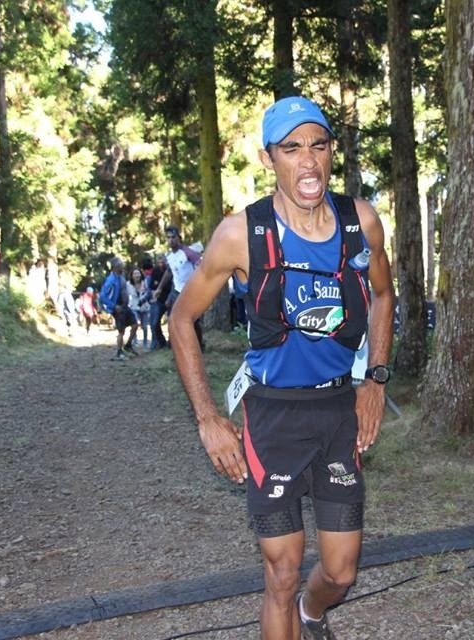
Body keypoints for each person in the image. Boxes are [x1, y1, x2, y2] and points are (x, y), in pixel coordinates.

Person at [169, 96, 395, 640]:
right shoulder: (240, 233)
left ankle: (312, 614)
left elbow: (384, 296)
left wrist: (375, 381)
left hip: (338, 409)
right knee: (282, 573)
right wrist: (208, 418)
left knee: (340, 572)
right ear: (269, 158)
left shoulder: (360, 222)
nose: (308, 160)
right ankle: (292, 608)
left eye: (318, 145)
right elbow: (181, 319)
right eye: (291, 149)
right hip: (272, 414)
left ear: (332, 151)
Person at [153, 227, 204, 351]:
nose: (171, 240)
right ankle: (176, 345)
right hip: (176, 291)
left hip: (190, 291)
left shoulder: (187, 252)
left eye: (173, 237)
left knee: (193, 320)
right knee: (173, 318)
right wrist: (159, 288)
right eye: (168, 237)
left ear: (179, 238)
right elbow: (169, 272)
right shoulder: (169, 256)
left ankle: (199, 345)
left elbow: (201, 265)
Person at [100, 256, 139, 360]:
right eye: (121, 265)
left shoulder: (122, 276)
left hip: (125, 306)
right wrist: (114, 306)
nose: (123, 266)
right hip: (118, 307)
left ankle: (128, 345)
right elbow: (103, 296)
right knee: (121, 331)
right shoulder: (111, 280)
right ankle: (119, 352)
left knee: (135, 324)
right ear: (115, 267)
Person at [147, 254, 171, 350]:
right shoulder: (155, 270)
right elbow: (152, 285)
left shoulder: (170, 270)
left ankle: (172, 341)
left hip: (171, 299)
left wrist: (159, 285)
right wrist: (158, 287)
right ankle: (161, 342)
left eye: (162, 260)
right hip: (159, 300)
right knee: (155, 323)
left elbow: (171, 285)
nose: (161, 262)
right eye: (159, 260)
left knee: (171, 321)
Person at [128, 267, 151, 348]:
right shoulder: (128, 285)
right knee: (135, 324)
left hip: (144, 307)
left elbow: (149, 293)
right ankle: (134, 340)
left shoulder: (145, 283)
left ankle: (145, 341)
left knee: (145, 326)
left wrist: (144, 299)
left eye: (138, 273)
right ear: (132, 276)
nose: (137, 275)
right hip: (133, 307)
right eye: (135, 274)